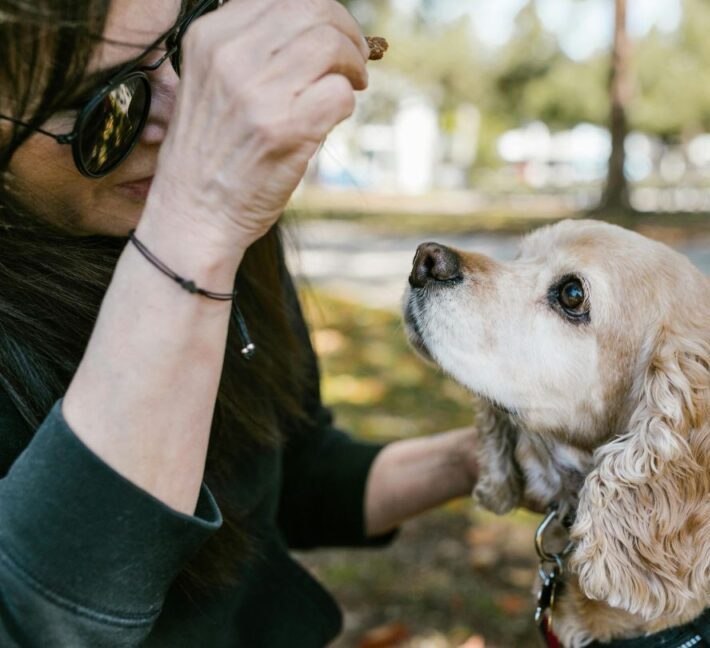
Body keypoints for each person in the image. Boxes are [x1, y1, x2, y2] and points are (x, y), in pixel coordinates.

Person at [0, 0, 480, 645]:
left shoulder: (220, 221)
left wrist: (476, 460)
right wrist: (195, 230)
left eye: (186, 48)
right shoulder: (201, 219)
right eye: (103, 103)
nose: (180, 117)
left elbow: (289, 472)